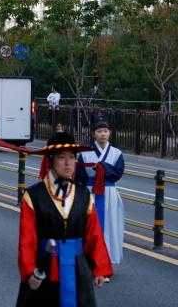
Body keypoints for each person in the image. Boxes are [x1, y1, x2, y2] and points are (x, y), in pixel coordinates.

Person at [16, 132, 112, 307]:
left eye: (72, 157)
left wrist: (100, 268)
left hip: (77, 268)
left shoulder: (83, 194)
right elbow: (27, 240)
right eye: (62, 157)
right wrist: (29, 272)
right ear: (51, 160)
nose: (68, 163)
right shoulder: (34, 195)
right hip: (44, 268)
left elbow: (94, 235)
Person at [75, 112, 125, 268]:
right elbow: (80, 177)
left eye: (105, 131)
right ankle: (91, 261)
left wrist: (103, 168)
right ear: (93, 134)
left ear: (110, 133)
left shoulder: (117, 154)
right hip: (90, 194)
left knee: (111, 229)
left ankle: (105, 263)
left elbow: (117, 174)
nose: (103, 134)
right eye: (99, 131)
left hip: (109, 194)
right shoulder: (85, 154)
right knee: (89, 228)